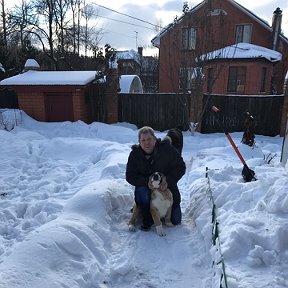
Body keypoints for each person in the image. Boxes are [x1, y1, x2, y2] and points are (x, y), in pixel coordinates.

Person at [126, 126, 186, 231]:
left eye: (149, 139)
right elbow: (130, 176)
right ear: (139, 142)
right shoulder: (135, 154)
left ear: (154, 139)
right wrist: (146, 182)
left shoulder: (167, 149)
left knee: (176, 220)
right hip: (146, 190)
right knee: (141, 192)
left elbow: (180, 166)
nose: (146, 143)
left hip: (166, 188)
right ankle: (147, 217)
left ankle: (159, 212)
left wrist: (168, 181)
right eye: (143, 140)